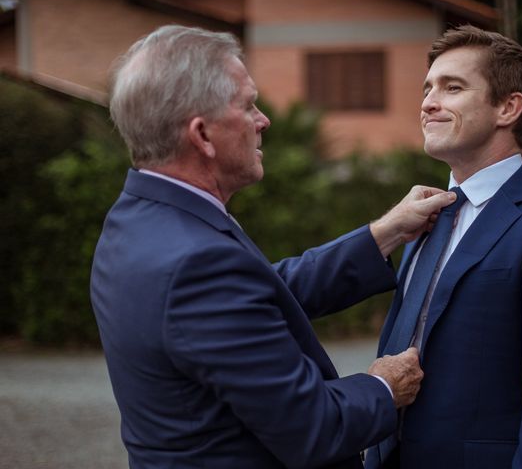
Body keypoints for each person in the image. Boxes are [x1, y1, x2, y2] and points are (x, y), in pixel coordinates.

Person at [90, 25, 458, 469]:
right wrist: (382, 386)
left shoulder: (139, 216)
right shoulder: (197, 263)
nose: (264, 120)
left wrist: (384, 234)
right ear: (202, 135)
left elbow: (255, 297)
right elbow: (313, 428)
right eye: (248, 106)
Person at [365, 25, 522, 469]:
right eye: (428, 89)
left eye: (452, 87)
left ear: (508, 108)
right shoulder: (423, 218)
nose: (427, 103)